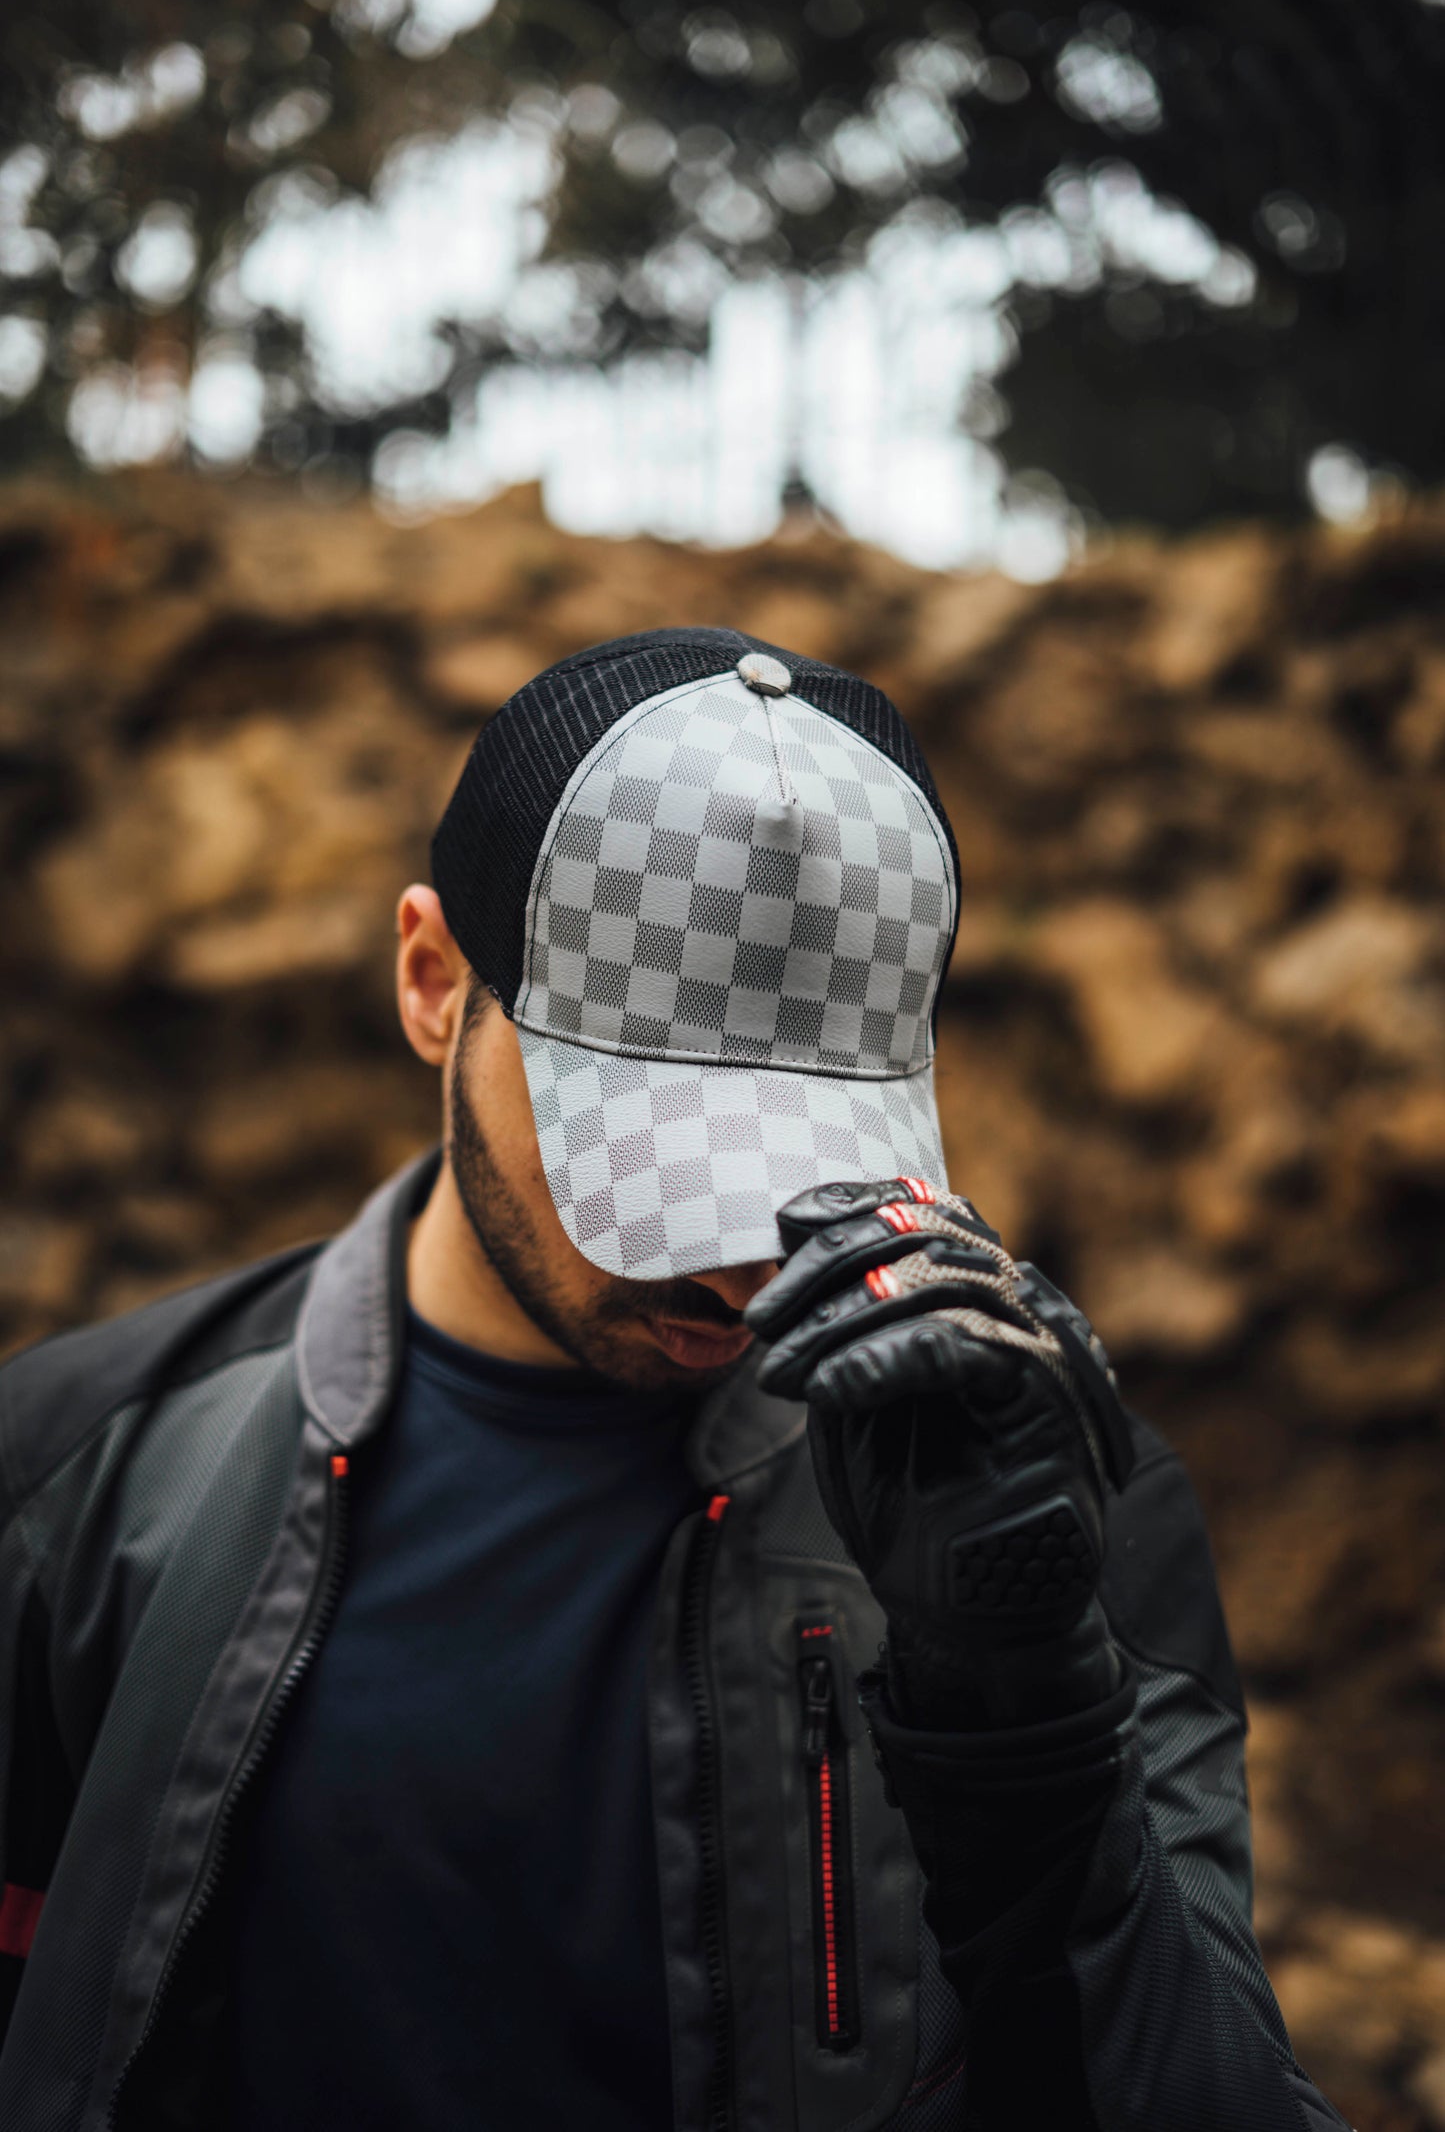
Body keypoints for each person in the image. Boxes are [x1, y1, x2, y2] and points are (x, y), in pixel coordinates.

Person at [0, 626, 1347, 2132]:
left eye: (804, 1163)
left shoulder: (1048, 1502)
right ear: (434, 982)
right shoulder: (76, 1479)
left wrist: (1027, 1740)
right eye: (649, 1156)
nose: (738, 1271)